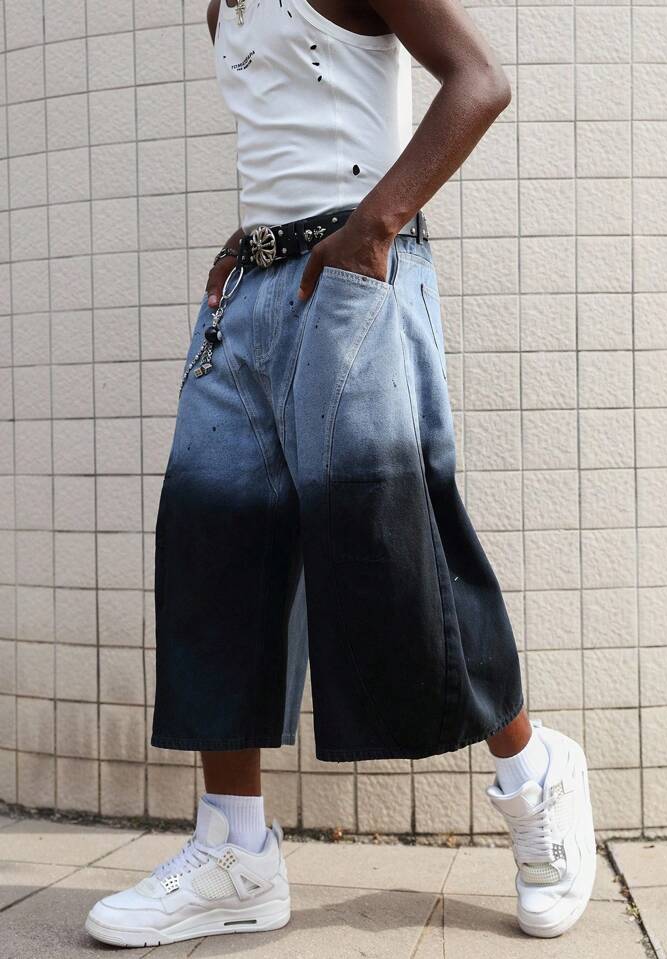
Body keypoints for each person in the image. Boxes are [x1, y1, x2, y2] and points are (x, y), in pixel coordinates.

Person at [85, 0, 596, 947]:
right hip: (253, 292)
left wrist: (375, 227)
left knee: (394, 549)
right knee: (212, 549)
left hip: (354, 276)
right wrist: (253, 243)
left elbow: (479, 82)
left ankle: (537, 779)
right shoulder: (222, 9)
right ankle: (235, 852)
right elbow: (282, 142)